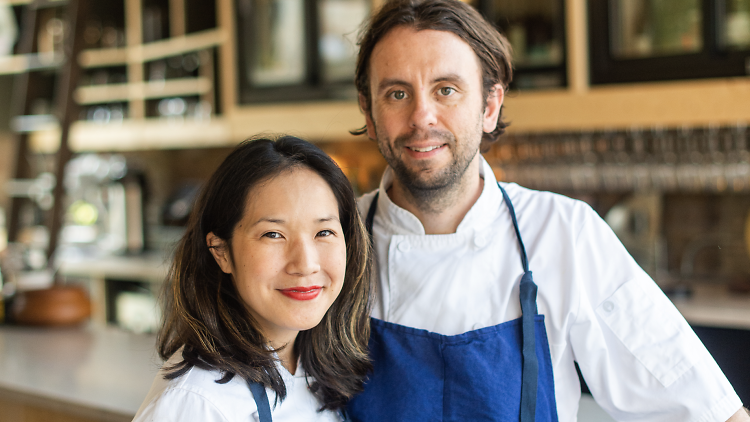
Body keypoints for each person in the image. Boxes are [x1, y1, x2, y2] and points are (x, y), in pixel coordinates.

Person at [345, 1, 750, 421]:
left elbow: (708, 411)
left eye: (446, 89)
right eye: (397, 93)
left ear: (489, 106)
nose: (421, 116)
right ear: (369, 113)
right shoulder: (331, 242)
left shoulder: (564, 234)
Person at [133, 136, 372, 422]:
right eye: (273, 234)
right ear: (221, 251)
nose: (306, 264)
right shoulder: (195, 403)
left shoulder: (317, 368)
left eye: (324, 233)